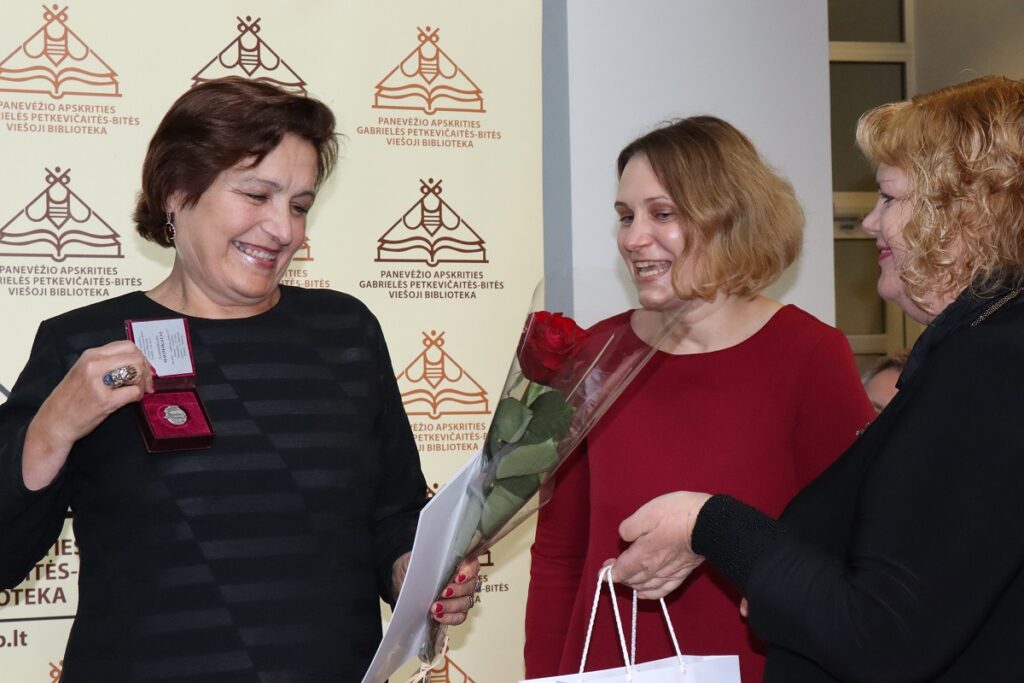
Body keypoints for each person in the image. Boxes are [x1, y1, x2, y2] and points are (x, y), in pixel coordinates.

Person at [0, 76, 477, 682]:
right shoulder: (83, 344)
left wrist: (414, 572)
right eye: (257, 195)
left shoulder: (346, 332)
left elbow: (393, 515)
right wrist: (52, 428)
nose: (284, 230)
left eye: (299, 205)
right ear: (176, 192)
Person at [609, 76, 1024, 682]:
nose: (870, 223)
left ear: (964, 212)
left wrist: (712, 524)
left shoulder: (990, 364)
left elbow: (880, 635)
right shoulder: (978, 350)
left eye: (889, 198)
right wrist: (784, 585)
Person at [524, 116, 874, 681]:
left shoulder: (809, 354)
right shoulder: (596, 355)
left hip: (758, 664)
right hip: (607, 665)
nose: (633, 238)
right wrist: (545, 677)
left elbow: (845, 550)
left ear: (729, 219)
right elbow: (560, 555)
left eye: (662, 214)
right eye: (626, 216)